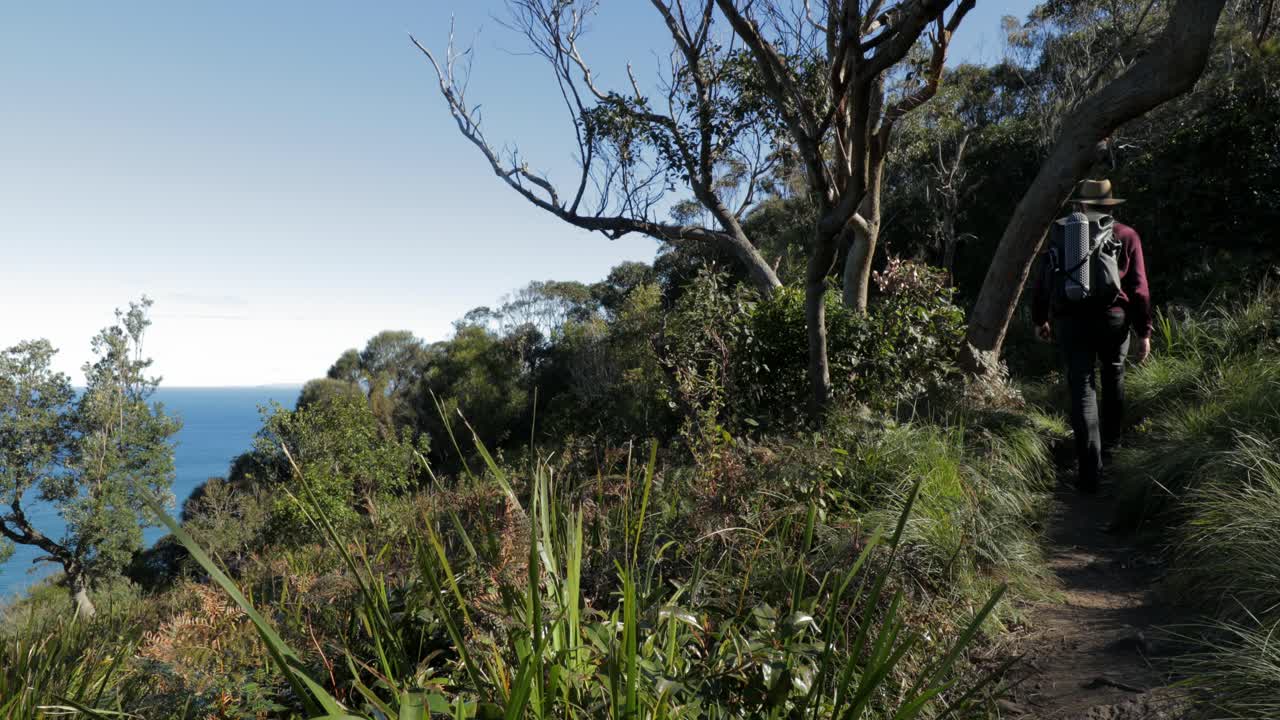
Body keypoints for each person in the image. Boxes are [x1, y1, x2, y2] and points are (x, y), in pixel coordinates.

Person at [1032, 179, 1152, 494]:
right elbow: (1138, 290)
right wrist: (1144, 332)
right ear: (1110, 205)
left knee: (1082, 390)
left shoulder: (1061, 235)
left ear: (1080, 206)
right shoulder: (1126, 235)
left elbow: (1043, 279)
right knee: (1114, 376)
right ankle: (1111, 450)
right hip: (1113, 319)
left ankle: (1089, 473)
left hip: (1072, 321)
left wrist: (1040, 318)